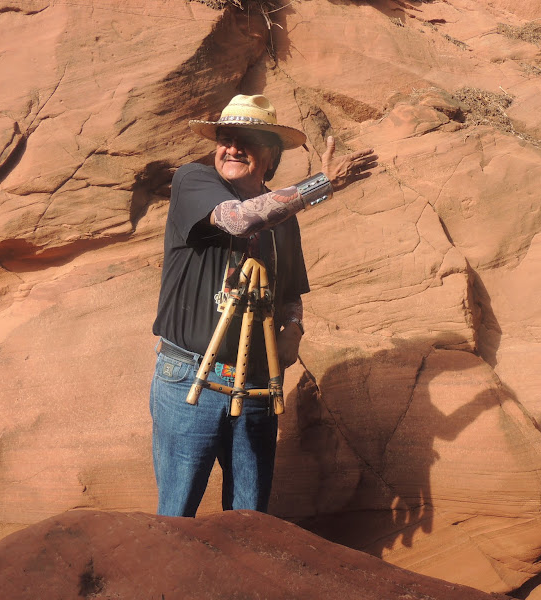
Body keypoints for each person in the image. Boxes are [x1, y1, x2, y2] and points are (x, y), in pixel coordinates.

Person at [150, 94, 377, 517]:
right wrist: (320, 184)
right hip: (187, 378)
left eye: (248, 140)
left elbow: (290, 292)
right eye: (225, 137)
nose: (233, 147)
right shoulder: (192, 181)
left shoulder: (282, 220)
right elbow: (239, 219)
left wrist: (293, 326)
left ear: (271, 158)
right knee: (176, 520)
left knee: (249, 521)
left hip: (256, 383)